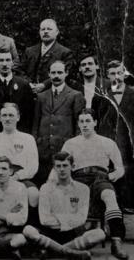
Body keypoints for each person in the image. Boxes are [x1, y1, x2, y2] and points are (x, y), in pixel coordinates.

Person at [55, 109, 128, 259]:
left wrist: (113, 175)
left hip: (100, 177)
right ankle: (68, 240)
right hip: (77, 179)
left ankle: (116, 242)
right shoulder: (70, 143)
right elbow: (60, 165)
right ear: (78, 124)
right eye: (81, 121)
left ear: (95, 122)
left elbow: (120, 167)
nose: (85, 125)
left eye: (88, 121)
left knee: (109, 196)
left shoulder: (107, 142)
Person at [23, 151, 104, 260]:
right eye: (58, 166)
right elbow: (44, 220)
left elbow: (81, 218)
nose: (61, 169)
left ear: (73, 166)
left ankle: (52, 252)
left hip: (74, 233)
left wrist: (59, 219)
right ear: (54, 168)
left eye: (65, 165)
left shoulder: (83, 189)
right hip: (50, 233)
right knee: (28, 230)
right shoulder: (46, 188)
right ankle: (70, 253)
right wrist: (68, 220)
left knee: (100, 234)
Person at [32, 60, 85, 186]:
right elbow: (35, 122)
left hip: (64, 148)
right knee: (43, 184)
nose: (56, 76)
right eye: (53, 72)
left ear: (66, 73)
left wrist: (75, 146)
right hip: (43, 149)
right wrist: (36, 141)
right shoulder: (41, 96)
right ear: (49, 74)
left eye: (60, 72)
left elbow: (79, 125)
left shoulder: (75, 95)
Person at [0, 50, 35, 138]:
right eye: (1, 60)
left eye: (8, 60)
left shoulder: (23, 85)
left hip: (18, 134)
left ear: (12, 63)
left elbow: (29, 114)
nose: (5, 64)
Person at [105, 60, 134, 212]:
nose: (116, 76)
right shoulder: (104, 95)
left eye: (119, 73)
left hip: (129, 141)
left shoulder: (133, 94)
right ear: (107, 76)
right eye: (112, 73)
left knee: (129, 168)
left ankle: (129, 204)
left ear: (124, 74)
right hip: (111, 140)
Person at [21, 19, 75, 93]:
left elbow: (66, 74)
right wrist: (28, 83)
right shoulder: (29, 51)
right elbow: (21, 70)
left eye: (49, 29)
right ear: (39, 32)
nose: (46, 31)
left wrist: (44, 85)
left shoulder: (65, 52)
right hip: (29, 91)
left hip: (52, 93)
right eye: (43, 29)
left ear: (57, 32)